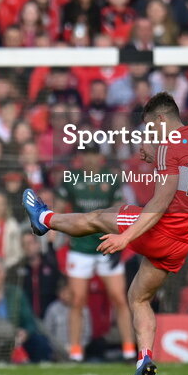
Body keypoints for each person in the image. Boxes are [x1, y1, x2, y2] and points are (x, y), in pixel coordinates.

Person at [23, 92, 188, 375]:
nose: (152, 134)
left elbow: (161, 202)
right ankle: (144, 362)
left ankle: (43, 219)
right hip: (184, 239)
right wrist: (157, 159)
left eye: (152, 127)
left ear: (162, 120)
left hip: (162, 228)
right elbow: (185, 179)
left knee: (98, 217)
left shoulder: (168, 146)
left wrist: (126, 237)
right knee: (138, 298)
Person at [53, 144, 136, 361]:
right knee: (78, 299)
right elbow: (59, 207)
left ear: (100, 157)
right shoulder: (71, 178)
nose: (90, 158)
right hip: (79, 247)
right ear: (81, 157)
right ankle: (76, 352)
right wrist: (56, 231)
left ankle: (129, 350)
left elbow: (120, 209)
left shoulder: (112, 178)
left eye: (94, 153)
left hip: (106, 245)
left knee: (119, 297)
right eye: (86, 154)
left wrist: (120, 240)